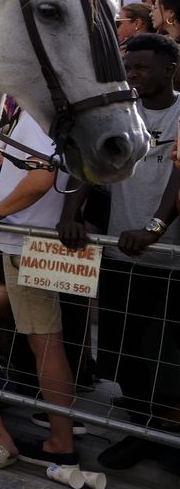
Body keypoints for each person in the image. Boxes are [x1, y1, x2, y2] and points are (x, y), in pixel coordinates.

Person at [58, 33, 180, 469]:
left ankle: (165, 436)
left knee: (165, 356)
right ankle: (140, 431)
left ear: (170, 70)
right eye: (129, 68)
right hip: (120, 254)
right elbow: (90, 164)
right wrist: (70, 214)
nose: (132, 75)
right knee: (125, 351)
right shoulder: (119, 112)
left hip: (169, 260)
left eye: (141, 68)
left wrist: (154, 227)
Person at [0, 107, 82, 468]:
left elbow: (41, 178)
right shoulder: (36, 115)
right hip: (32, 240)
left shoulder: (36, 117)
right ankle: (60, 436)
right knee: (46, 342)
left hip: (28, 242)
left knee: (45, 343)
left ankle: (60, 442)